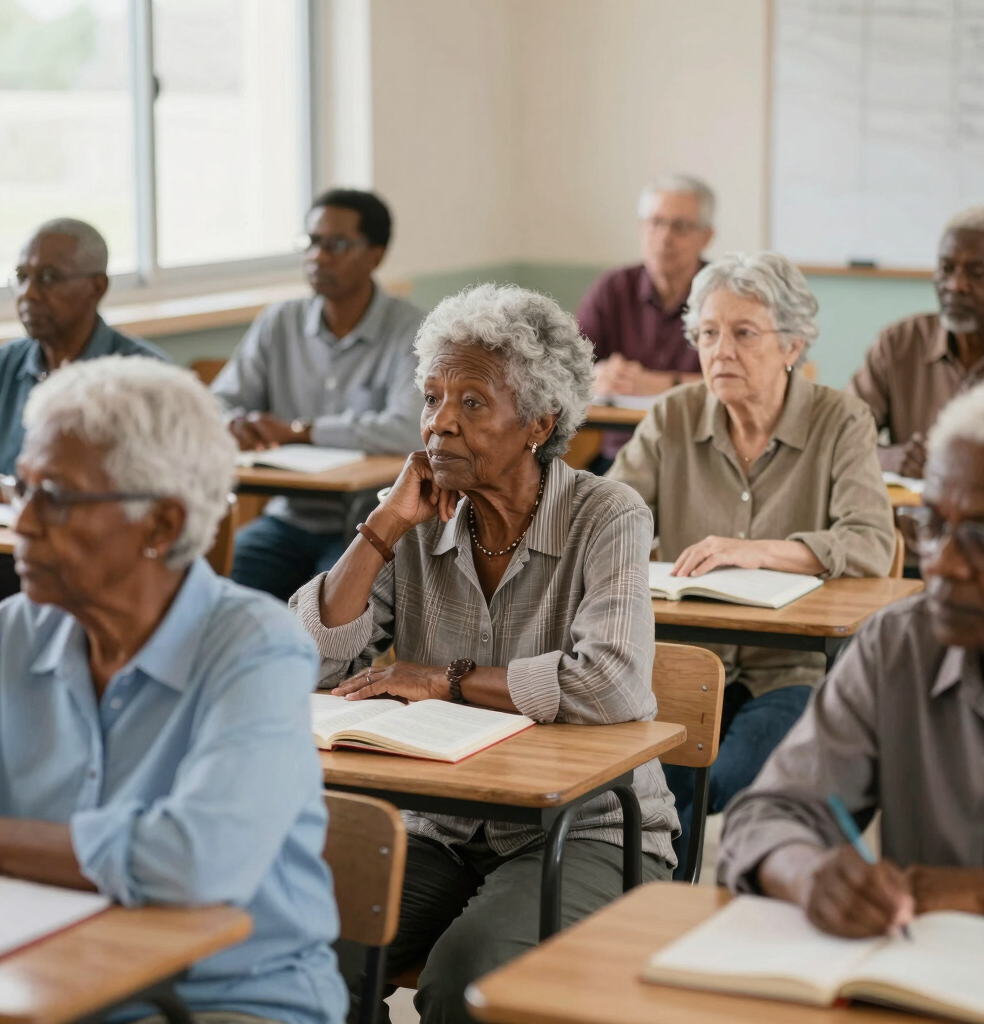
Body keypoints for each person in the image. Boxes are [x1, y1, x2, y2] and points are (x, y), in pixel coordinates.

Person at [290, 283, 678, 1024]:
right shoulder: (413, 520)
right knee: (312, 954)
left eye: (471, 403)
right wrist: (382, 527)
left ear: (540, 421)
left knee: (464, 985)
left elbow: (616, 685)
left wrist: (444, 680)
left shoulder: (607, 515)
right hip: (440, 822)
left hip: (585, 826)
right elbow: (303, 666)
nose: (439, 423)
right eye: (432, 397)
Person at [0, 357, 346, 1024]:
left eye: (59, 497)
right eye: (23, 487)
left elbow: (196, 860)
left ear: (160, 525)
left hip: (231, 997)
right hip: (54, 978)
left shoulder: (256, 646)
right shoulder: (14, 634)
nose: (27, 521)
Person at [607, 252, 895, 880]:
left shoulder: (840, 419)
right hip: (682, 658)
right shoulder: (674, 415)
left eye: (744, 333)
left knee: (729, 780)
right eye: (708, 333)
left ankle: (709, 911)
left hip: (790, 667)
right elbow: (608, 518)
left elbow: (871, 540)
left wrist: (756, 551)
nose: (721, 351)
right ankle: (651, 918)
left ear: (792, 344)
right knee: (654, 781)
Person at [719, 374, 984, 935]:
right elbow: (766, 816)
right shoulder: (900, 645)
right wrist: (810, 873)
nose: (942, 564)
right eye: (932, 525)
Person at [212, 188, 424, 602]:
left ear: (376, 255)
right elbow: (214, 402)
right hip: (287, 519)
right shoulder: (279, 323)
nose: (318, 256)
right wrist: (233, 422)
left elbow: (409, 429)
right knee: (221, 597)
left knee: (329, 614)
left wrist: (300, 431)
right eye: (311, 242)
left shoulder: (412, 330)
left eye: (337, 245)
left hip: (369, 523)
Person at [849, 206, 984, 479]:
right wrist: (889, 458)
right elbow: (841, 436)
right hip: (913, 516)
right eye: (946, 268)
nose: (955, 285)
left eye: (976, 273)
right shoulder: (900, 343)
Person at [0, 217, 167, 476]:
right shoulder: (7, 363)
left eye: (48, 277)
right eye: (22, 276)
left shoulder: (144, 377)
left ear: (96, 287)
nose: (28, 293)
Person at [576, 173, 715, 471]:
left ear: (706, 236)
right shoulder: (613, 288)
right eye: (655, 223)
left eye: (680, 226)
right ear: (641, 229)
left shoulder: (723, 293)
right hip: (622, 455)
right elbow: (563, 364)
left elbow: (744, 383)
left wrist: (663, 384)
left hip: (699, 458)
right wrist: (598, 374)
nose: (664, 237)